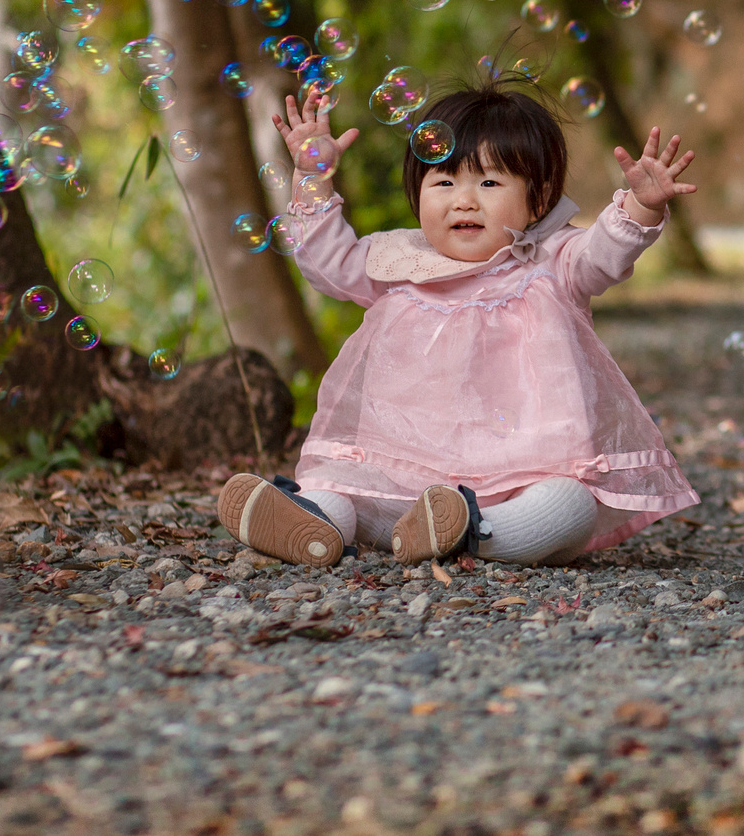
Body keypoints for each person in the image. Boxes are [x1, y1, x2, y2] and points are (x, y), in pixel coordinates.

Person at [214, 79, 700, 569]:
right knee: (341, 484)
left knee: (568, 503)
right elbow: (326, 262)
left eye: (489, 183)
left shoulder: (551, 260)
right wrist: (313, 177)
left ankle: (475, 531)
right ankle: (313, 521)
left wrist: (642, 205)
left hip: (521, 480)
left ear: (539, 198)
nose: (463, 200)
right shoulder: (398, 261)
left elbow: (604, 256)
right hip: (399, 482)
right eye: (443, 182)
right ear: (417, 192)